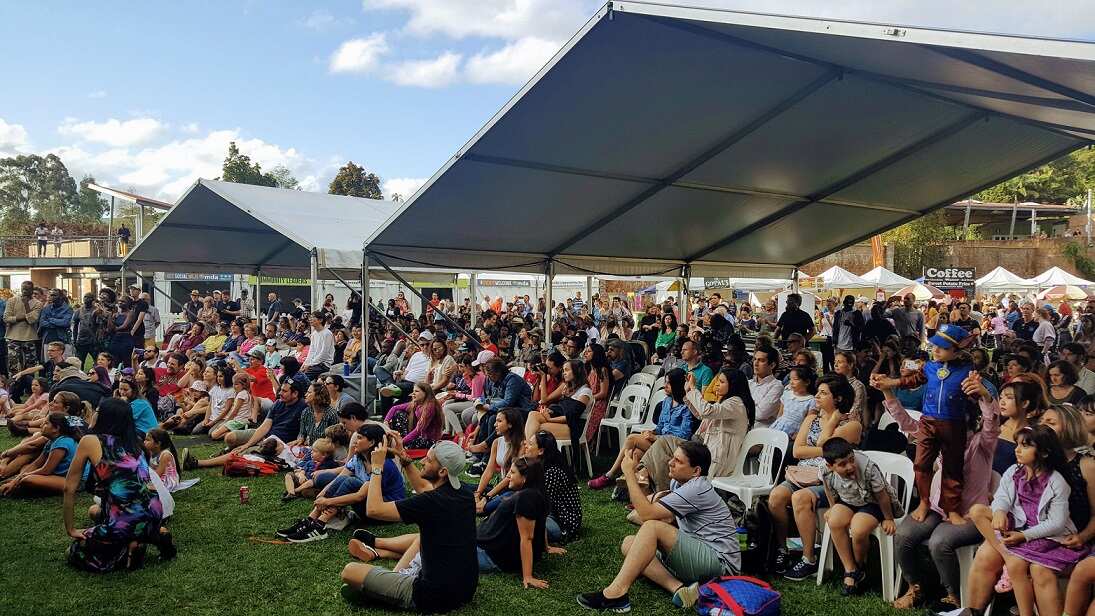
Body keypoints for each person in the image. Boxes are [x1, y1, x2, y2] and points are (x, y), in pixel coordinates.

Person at [884, 371, 1000, 610]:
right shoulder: (937, 436)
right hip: (937, 506)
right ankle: (915, 587)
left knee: (939, 542)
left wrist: (984, 395)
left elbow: (992, 422)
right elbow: (907, 423)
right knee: (904, 536)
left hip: (969, 513)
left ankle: (953, 596)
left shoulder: (982, 443)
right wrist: (887, 390)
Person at [578, 441, 738, 611]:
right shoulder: (679, 483)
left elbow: (647, 514)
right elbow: (650, 514)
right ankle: (678, 589)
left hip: (722, 566)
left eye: (678, 461)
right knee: (629, 544)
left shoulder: (696, 488)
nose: (670, 462)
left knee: (652, 527)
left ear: (696, 471)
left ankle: (616, 594)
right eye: (672, 458)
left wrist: (629, 474)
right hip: (700, 554)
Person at [339, 440, 478, 613]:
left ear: (443, 471)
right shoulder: (464, 493)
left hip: (431, 595)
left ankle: (382, 589)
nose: (422, 462)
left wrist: (376, 467)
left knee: (349, 571)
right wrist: (405, 461)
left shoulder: (430, 502)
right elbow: (422, 487)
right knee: (420, 538)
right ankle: (388, 581)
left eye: (428, 460)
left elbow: (373, 509)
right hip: (465, 589)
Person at [966, 426, 1088, 616]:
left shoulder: (1056, 481)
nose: (1017, 449)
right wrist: (999, 511)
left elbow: (1056, 522)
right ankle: (1007, 554)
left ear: (1044, 453)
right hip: (1020, 526)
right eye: (1017, 444)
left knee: (1017, 566)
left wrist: (1024, 536)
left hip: (1046, 535)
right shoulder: (1015, 471)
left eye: (1025, 445)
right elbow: (1002, 496)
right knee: (977, 511)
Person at [62, 398, 174, 572]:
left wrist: (71, 529)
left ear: (103, 416)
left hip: (124, 519)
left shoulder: (90, 441)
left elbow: (69, 487)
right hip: (154, 511)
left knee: (74, 551)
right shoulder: (137, 442)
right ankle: (148, 536)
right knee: (97, 511)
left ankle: (126, 550)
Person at [880, 323, 975, 526]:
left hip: (954, 424)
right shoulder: (930, 367)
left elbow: (977, 394)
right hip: (928, 422)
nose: (936, 350)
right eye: (934, 346)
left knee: (952, 468)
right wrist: (891, 383)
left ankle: (952, 508)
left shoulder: (967, 370)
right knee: (921, 465)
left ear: (956, 351)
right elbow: (911, 381)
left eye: (942, 347)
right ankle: (924, 502)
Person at [771, 374, 863, 578]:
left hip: (832, 480)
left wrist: (832, 422)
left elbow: (822, 442)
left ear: (837, 398)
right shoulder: (811, 418)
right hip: (802, 474)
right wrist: (826, 451)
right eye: (818, 392)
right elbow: (797, 452)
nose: (817, 396)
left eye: (823, 393)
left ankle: (808, 558)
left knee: (800, 498)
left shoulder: (851, 425)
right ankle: (782, 549)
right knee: (776, 497)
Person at [276, 424, 405, 543]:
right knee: (342, 480)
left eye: (359, 438)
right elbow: (339, 478)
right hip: (368, 507)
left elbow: (360, 496)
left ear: (371, 442)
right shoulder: (358, 458)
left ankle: (320, 525)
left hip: (384, 513)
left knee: (351, 482)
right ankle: (310, 520)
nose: (354, 441)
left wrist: (327, 502)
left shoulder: (383, 464)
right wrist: (321, 496)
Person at [814, 437, 902, 595]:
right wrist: (833, 507)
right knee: (834, 520)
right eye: (842, 464)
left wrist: (888, 518)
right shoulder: (825, 470)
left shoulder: (868, 468)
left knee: (858, 528)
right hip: (847, 500)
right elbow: (828, 489)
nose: (849, 466)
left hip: (872, 503)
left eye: (851, 460)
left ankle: (860, 565)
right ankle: (851, 569)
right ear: (830, 465)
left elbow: (882, 496)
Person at [587, 369, 690, 490]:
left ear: (677, 385)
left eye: (668, 383)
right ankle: (635, 491)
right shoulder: (667, 401)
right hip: (659, 442)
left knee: (632, 439)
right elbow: (661, 426)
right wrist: (652, 432)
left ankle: (609, 475)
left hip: (673, 446)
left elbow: (684, 435)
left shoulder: (687, 406)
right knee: (636, 453)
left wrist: (656, 437)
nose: (664, 386)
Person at [474, 457, 561, 588]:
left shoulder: (525, 499)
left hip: (489, 554)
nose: (508, 475)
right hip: (486, 544)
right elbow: (540, 523)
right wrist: (546, 547)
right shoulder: (537, 492)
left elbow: (527, 538)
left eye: (513, 472)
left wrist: (528, 576)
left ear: (525, 477)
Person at [0, 412, 85, 496]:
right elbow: (36, 464)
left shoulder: (63, 443)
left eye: (46, 423)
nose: (41, 426)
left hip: (74, 481)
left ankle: (14, 487)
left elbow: (46, 471)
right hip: (57, 476)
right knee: (26, 470)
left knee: (27, 479)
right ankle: (14, 485)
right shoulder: (51, 441)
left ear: (56, 428)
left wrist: (17, 479)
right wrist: (18, 478)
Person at [522, 431, 582, 542]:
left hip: (562, 522)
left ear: (541, 451)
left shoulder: (552, 472)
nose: (525, 445)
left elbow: (537, 503)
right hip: (551, 514)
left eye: (530, 444)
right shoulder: (541, 465)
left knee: (520, 523)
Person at [523, 359, 593, 442]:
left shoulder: (585, 392)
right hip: (563, 422)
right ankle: (529, 449)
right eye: (563, 370)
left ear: (576, 371)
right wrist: (551, 411)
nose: (564, 373)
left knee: (540, 428)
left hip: (575, 426)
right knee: (532, 414)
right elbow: (562, 408)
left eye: (567, 370)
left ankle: (529, 450)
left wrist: (550, 419)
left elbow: (572, 416)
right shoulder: (568, 388)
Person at [383, 381, 442, 450]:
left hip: (429, 440)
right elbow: (394, 408)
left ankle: (400, 443)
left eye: (416, 391)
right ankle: (398, 440)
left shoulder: (430, 406)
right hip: (418, 436)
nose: (413, 393)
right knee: (399, 413)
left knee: (404, 444)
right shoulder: (416, 403)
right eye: (413, 391)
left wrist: (401, 442)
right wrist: (386, 421)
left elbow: (418, 430)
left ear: (425, 393)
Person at [5, 281, 42, 378]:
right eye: (23, 289)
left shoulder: (37, 303)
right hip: (13, 336)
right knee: (13, 364)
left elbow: (32, 320)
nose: (24, 291)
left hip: (29, 337)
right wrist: (21, 318)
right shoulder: (12, 300)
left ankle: (29, 386)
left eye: (27, 289)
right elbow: (6, 318)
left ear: (32, 290)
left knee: (30, 364)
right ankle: (15, 387)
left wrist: (26, 305)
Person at [749, 346, 784, 427]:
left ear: (772, 365)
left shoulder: (777, 386)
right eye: (755, 359)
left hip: (761, 432)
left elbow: (760, 414)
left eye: (761, 360)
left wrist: (745, 406)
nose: (756, 363)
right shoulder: (748, 383)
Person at [38, 289, 73, 359]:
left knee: (64, 364)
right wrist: (58, 322)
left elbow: (65, 323)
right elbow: (42, 323)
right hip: (48, 338)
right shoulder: (46, 309)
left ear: (61, 296)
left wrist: (50, 319)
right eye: (50, 295)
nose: (51, 297)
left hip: (63, 340)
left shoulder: (68, 309)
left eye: (54, 295)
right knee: (48, 364)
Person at [302, 311, 335, 380]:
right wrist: (305, 363)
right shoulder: (314, 334)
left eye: (313, 317)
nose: (310, 319)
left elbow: (324, 354)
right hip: (314, 363)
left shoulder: (327, 333)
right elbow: (312, 351)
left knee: (302, 379)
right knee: (298, 373)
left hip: (323, 365)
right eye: (310, 317)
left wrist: (310, 364)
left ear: (320, 320)